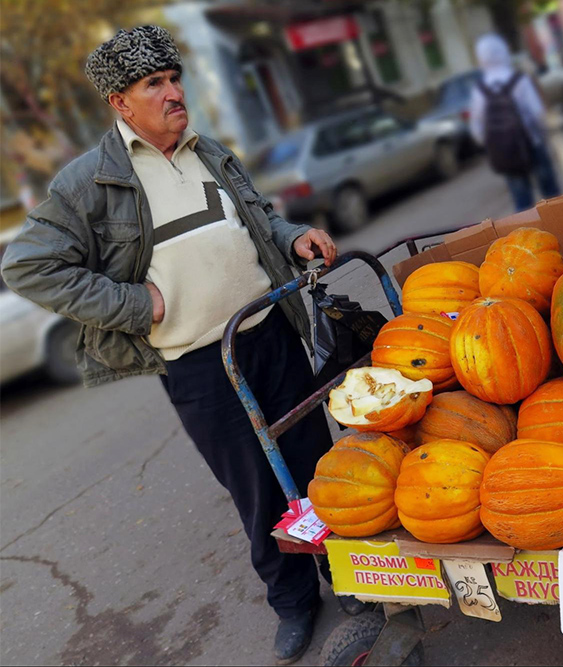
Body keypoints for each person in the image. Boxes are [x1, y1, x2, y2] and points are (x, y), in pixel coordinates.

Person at [0, 26, 337, 665]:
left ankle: (346, 576)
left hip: (267, 332)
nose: (174, 92)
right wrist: (132, 305)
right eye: (154, 84)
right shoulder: (89, 180)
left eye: (174, 78)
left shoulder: (209, 150)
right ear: (120, 103)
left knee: (317, 466)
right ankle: (293, 603)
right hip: (200, 366)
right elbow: (28, 267)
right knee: (258, 489)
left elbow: (257, 217)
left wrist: (292, 237)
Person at [469, 33, 561, 211]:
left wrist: (493, 143)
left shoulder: (480, 89)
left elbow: (477, 127)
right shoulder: (519, 80)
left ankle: (525, 235)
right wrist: (543, 136)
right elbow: (538, 113)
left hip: (505, 153)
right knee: (552, 197)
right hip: (532, 144)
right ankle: (560, 229)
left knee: (522, 203)